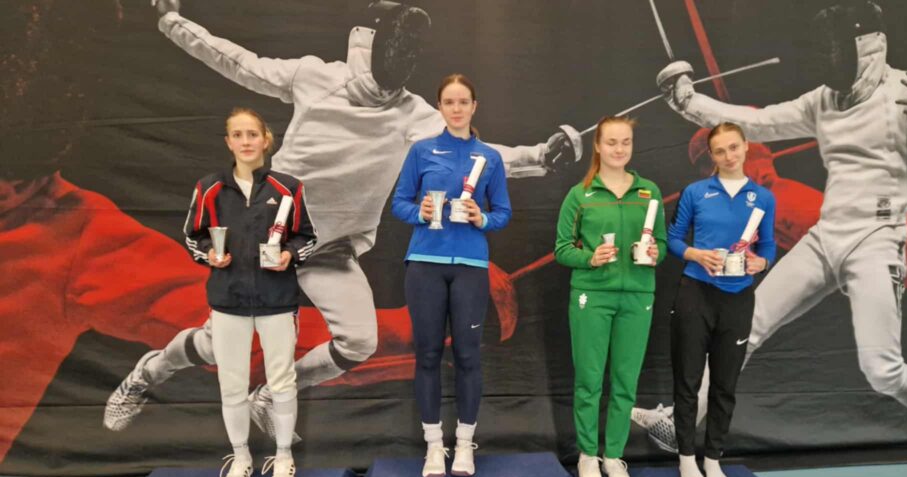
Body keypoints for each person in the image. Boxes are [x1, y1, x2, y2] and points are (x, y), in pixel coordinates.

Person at [105, 0, 579, 437]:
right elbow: (236, 61)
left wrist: (539, 157)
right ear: (367, 43)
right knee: (219, 344)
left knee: (357, 342)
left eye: (409, 48)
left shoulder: (414, 115)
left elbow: (472, 153)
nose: (401, 57)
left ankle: (271, 395)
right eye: (394, 44)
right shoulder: (314, 77)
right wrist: (172, 21)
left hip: (331, 249)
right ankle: (148, 373)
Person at [658, 0, 907, 451]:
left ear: (867, 45)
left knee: (882, 371)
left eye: (835, 47)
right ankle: (681, 422)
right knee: (746, 324)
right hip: (826, 236)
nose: (828, 57)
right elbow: (754, 122)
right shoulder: (822, 101)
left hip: (878, 239)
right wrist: (688, 102)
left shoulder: (905, 89)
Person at [187, 108, 316, 477]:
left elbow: (307, 237)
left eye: (252, 134)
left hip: (277, 300)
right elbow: (194, 236)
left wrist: (289, 255)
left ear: (266, 140)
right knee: (232, 383)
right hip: (228, 300)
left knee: (282, 381)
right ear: (228, 142)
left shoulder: (288, 188)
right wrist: (209, 254)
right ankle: (241, 457)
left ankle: (284, 456)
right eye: (238, 135)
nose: (246, 141)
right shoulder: (209, 188)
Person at [390, 75, 510, 477]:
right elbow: (399, 203)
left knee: (468, 356)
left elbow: (503, 213)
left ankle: (463, 445)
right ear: (439, 107)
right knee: (427, 355)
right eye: (449, 102)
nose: (456, 109)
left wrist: (482, 218)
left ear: (474, 106)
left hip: (471, 267)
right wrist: (420, 212)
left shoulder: (489, 157)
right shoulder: (422, 151)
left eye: (463, 102)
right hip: (425, 262)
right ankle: (433, 446)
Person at [554, 116, 666, 477]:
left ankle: (614, 456)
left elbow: (662, 244)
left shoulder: (649, 191)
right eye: (612, 142)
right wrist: (590, 258)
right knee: (589, 380)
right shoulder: (581, 194)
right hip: (592, 296)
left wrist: (655, 252)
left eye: (626, 142)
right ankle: (588, 454)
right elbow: (561, 249)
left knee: (624, 380)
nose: (619, 149)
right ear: (598, 146)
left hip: (637, 295)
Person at [667, 122, 776, 477]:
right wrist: (696, 254)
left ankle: (713, 457)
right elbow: (673, 239)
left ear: (745, 147)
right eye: (720, 151)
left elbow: (768, 245)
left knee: (725, 384)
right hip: (696, 293)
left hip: (738, 297)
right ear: (711, 156)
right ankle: (686, 457)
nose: (728, 156)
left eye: (733, 147)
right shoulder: (696, 192)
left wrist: (762, 262)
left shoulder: (762, 197)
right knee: (688, 380)